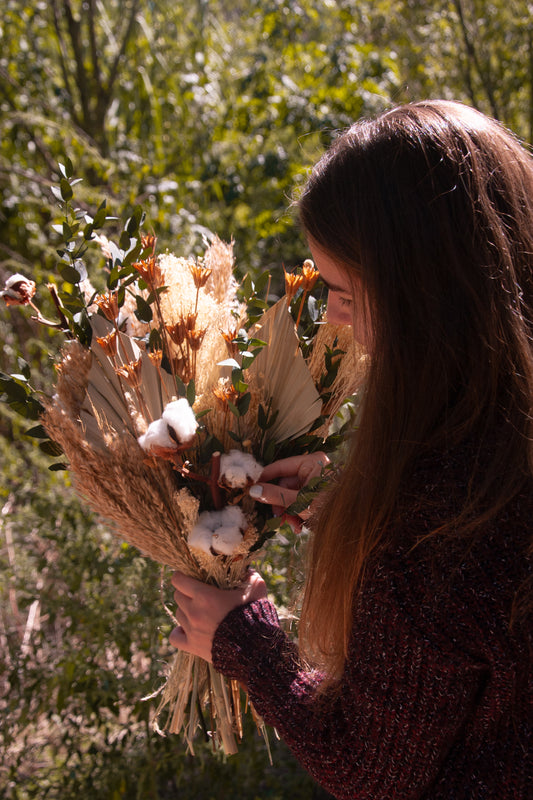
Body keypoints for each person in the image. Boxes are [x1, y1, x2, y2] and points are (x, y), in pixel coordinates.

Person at [169, 100, 533, 799]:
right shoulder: (487, 466)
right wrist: (348, 499)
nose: (332, 315)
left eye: (341, 290)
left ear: (422, 295)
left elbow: (370, 772)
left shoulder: (434, 536)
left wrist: (242, 638)